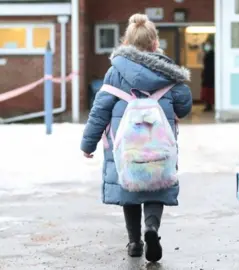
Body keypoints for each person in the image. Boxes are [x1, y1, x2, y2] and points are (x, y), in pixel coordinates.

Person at [80, 13, 192, 262]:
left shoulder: (114, 73)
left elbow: (99, 111)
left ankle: (134, 242)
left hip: (125, 146)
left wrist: (88, 144)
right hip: (159, 144)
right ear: (155, 43)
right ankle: (151, 227)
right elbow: (184, 107)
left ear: (126, 43)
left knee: (129, 188)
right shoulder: (170, 73)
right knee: (158, 184)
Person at [200, 34, 215, 112]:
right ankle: (208, 104)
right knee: (207, 90)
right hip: (207, 75)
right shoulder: (208, 53)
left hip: (210, 75)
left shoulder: (212, 54)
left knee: (209, 90)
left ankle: (209, 105)